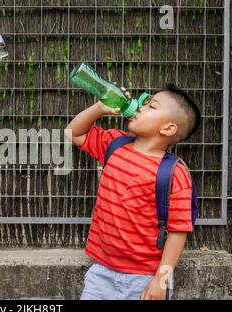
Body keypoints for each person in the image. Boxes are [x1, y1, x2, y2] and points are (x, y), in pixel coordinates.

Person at [65, 83, 201, 300]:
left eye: (151, 106)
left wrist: (161, 280)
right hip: (101, 273)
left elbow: (178, 232)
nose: (139, 106)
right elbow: (73, 132)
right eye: (144, 101)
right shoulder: (115, 145)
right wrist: (100, 107)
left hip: (146, 279)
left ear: (167, 129)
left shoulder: (174, 173)